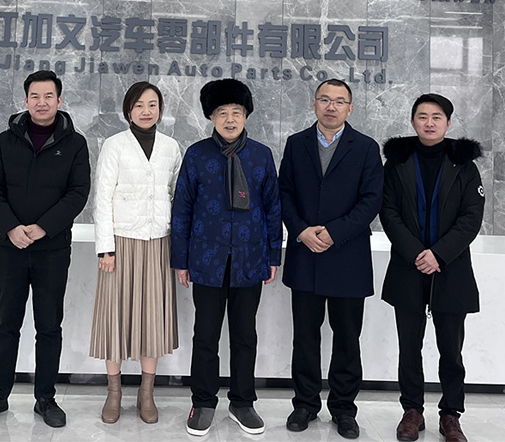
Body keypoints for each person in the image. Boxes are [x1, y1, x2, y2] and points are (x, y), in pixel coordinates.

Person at [0, 70, 90, 428]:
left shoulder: (75, 144)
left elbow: (78, 193)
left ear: (59, 101)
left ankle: (45, 399)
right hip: (10, 248)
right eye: (35, 96)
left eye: (49, 96)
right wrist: (11, 227)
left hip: (52, 249)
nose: (42, 102)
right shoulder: (7, 140)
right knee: (6, 324)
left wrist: (42, 227)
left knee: (49, 326)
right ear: (26, 100)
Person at [171, 79, 282, 437]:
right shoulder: (197, 154)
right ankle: (203, 402)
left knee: (245, 335)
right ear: (211, 117)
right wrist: (180, 259)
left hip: (250, 258)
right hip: (207, 259)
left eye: (236, 112)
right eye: (222, 113)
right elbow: (182, 208)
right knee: (205, 335)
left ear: (246, 115)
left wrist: (273, 255)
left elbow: (273, 208)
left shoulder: (261, 155)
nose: (230, 119)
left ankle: (242, 402)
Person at [278, 79, 383, 439]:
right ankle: (305, 404)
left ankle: (343, 408)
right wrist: (301, 230)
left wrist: (335, 232)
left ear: (350, 108)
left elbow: (372, 200)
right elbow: (284, 193)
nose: (331, 106)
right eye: (325, 99)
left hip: (347, 256)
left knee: (347, 339)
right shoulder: (296, 144)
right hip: (305, 253)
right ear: (314, 104)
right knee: (305, 338)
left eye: (339, 101)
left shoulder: (366, 147)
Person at [380, 94, 484, 442]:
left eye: (436, 117)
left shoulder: (464, 165)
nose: (429, 122)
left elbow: (471, 218)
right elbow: (388, 212)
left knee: (451, 350)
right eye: (422, 116)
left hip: (451, 268)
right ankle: (412, 411)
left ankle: (451, 415)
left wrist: (438, 254)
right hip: (407, 266)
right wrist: (416, 253)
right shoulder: (397, 163)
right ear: (413, 122)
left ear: (448, 123)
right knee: (409, 347)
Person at [89, 81, 182, 424]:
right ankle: (114, 392)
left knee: (151, 320)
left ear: (160, 109)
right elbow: (102, 198)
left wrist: (178, 244)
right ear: (128, 110)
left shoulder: (171, 147)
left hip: (158, 242)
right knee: (115, 317)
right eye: (139, 105)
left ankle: (146, 393)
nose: (146, 111)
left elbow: (177, 196)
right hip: (121, 242)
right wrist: (105, 249)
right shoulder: (114, 145)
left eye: (152, 104)